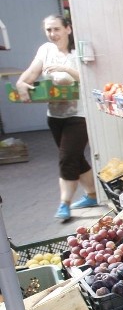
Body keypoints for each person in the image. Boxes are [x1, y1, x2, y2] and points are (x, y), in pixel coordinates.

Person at [16, 15, 98, 220]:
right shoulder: (46, 50)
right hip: (55, 115)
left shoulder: (78, 50)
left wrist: (66, 69)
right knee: (75, 157)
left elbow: (90, 78)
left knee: (67, 158)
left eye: (56, 29)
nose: (52, 34)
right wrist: (21, 84)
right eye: (48, 30)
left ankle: (64, 204)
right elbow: (31, 73)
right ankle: (92, 195)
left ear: (68, 29)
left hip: (79, 114)